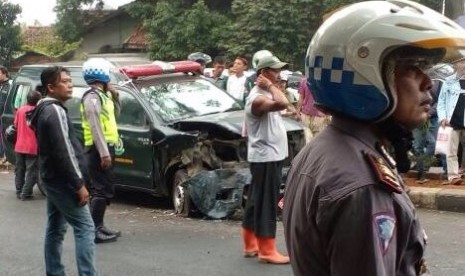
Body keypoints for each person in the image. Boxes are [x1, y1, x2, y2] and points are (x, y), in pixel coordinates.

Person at [283, 1, 465, 275]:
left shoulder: (328, 149)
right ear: (364, 76)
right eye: (413, 67)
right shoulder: (363, 184)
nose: (428, 83)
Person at [29, 66, 97, 275]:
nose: (70, 85)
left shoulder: (44, 108)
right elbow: (64, 151)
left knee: (56, 228)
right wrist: (78, 185)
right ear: (51, 87)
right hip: (64, 182)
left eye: (70, 81)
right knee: (85, 227)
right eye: (65, 81)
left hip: (52, 179)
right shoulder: (54, 111)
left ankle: (54, 271)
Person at [241, 55, 290, 264]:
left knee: (256, 200)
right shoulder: (258, 98)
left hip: (268, 156)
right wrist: (270, 85)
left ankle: (250, 244)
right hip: (266, 157)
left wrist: (271, 86)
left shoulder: (263, 94)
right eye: (275, 71)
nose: (279, 75)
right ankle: (267, 250)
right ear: (263, 73)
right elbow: (283, 102)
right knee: (267, 202)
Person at [81, 58, 121, 243]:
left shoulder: (103, 96)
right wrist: (104, 152)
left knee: (106, 188)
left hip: (106, 148)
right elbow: (95, 126)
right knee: (99, 189)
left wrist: (115, 96)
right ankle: (94, 230)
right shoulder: (91, 97)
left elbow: (114, 117)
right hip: (97, 150)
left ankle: (100, 225)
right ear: (101, 75)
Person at [437, 59, 465, 185]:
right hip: (452, 121)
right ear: (455, 65)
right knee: (451, 151)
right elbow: (441, 101)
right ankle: (453, 176)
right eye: (462, 62)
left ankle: (462, 170)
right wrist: (442, 117)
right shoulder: (448, 81)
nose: (464, 65)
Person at [14, 90, 41, 200]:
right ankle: (25, 193)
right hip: (32, 147)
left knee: (19, 170)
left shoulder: (20, 110)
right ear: (38, 101)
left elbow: (15, 125)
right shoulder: (38, 111)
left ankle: (19, 191)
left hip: (19, 145)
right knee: (32, 172)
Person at [296, 77, 330, 143]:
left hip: (315, 116)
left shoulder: (325, 81)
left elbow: (301, 98)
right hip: (309, 115)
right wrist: (297, 112)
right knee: (311, 141)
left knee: (312, 141)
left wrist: (298, 113)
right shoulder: (304, 81)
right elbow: (301, 98)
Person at [0, 65, 10, 164]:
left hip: (4, 115)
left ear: (4, 73)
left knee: (4, 135)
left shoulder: (9, 85)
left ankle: (5, 156)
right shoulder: (1, 85)